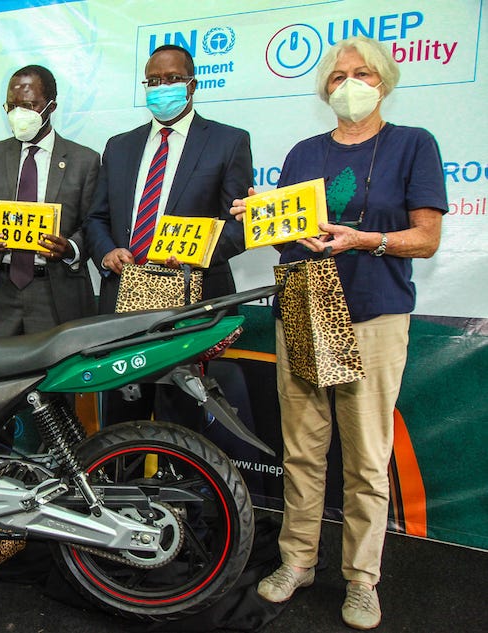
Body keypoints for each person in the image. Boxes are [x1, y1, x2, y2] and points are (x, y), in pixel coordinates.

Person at [229, 37, 446, 630]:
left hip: (374, 314)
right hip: (304, 308)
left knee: (368, 459)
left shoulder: (412, 145)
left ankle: (361, 579)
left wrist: (366, 240)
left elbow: (426, 238)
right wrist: (265, 216)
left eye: (362, 74)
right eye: (337, 76)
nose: (349, 85)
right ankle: (297, 561)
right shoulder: (304, 152)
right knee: (302, 449)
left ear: (384, 81)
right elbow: (293, 236)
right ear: (324, 89)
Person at [83, 44, 252, 426]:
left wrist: (196, 253)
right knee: (122, 427)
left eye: (172, 79)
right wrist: (107, 253)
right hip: (125, 306)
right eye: (153, 81)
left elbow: (239, 224)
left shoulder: (228, 142)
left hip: (190, 307)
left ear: (192, 85)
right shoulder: (119, 146)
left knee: (184, 428)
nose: (162, 88)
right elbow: (96, 218)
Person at [0, 65, 100, 336]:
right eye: (12, 106)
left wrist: (70, 249)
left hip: (56, 295)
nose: (18, 114)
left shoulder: (85, 160)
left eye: (29, 106)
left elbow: (93, 223)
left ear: (51, 107)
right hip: (0, 294)